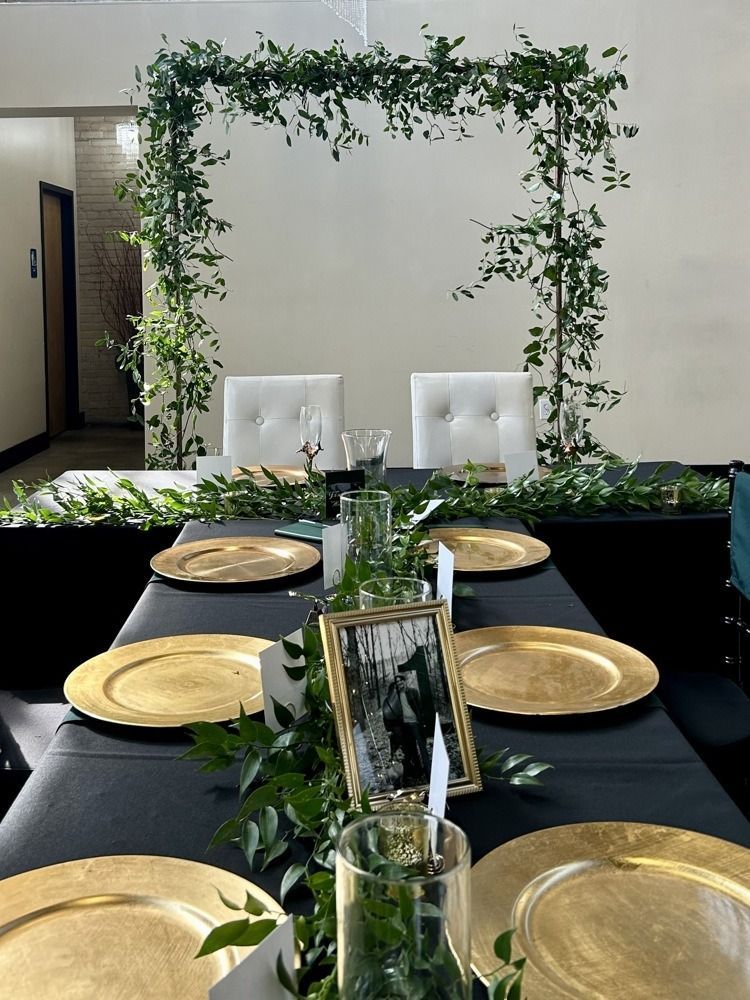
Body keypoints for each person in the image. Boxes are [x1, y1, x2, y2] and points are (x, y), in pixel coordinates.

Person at [381, 673, 430, 785]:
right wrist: (389, 729)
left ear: (404, 681)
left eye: (400, 681)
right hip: (406, 727)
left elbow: (420, 709)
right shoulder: (396, 697)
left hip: (415, 724)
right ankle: (415, 772)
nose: (399, 684)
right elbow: (388, 714)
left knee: (423, 749)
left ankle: (428, 772)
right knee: (411, 750)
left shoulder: (413, 692)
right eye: (397, 683)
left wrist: (423, 723)